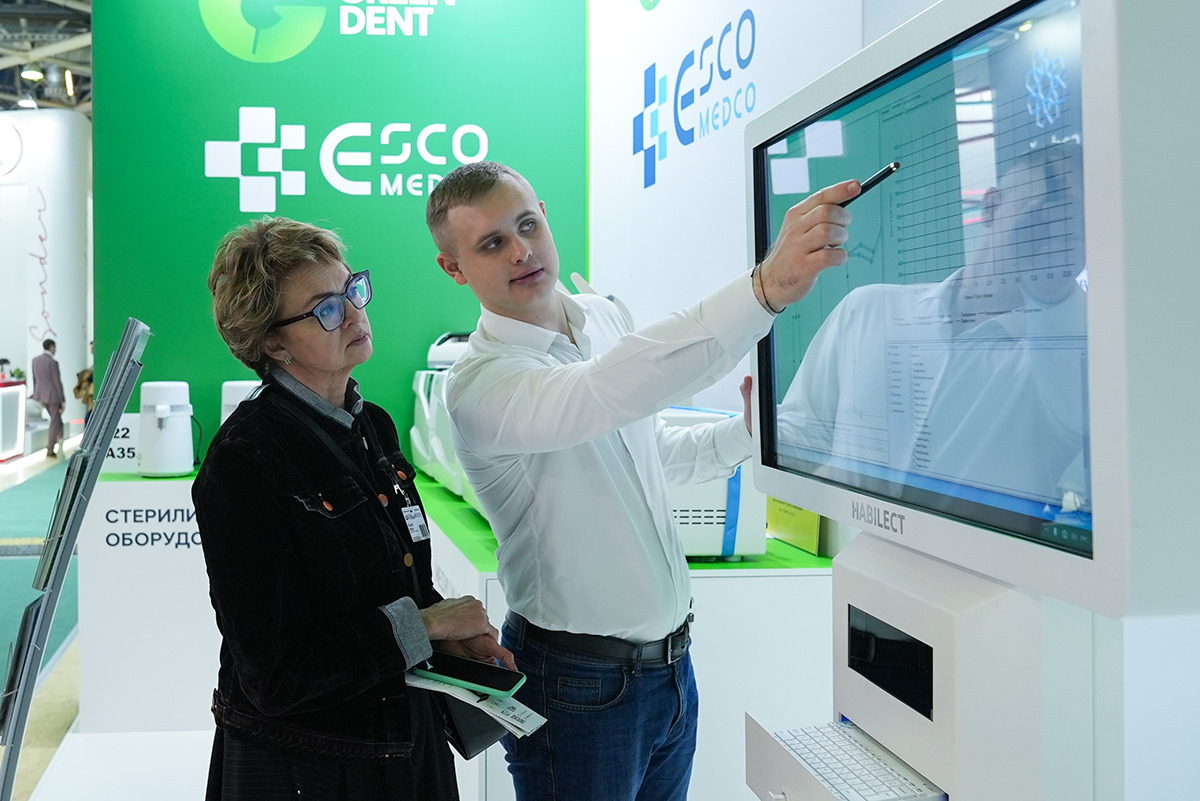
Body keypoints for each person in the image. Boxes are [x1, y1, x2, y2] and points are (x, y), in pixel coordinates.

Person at [424, 161, 859, 800]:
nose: (521, 251)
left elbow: (642, 450)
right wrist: (765, 288)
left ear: (545, 216)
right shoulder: (481, 384)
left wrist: (741, 437)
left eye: (527, 225)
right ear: (455, 268)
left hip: (671, 669)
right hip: (575, 685)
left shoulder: (600, 319)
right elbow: (606, 392)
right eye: (492, 243)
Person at [193, 216, 514, 801]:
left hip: (402, 735)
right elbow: (275, 675)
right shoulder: (246, 459)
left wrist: (448, 637)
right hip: (310, 764)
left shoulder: (373, 426)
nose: (354, 313)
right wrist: (425, 625)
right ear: (272, 343)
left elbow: (389, 582)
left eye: (352, 289)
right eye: (325, 308)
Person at [31, 338, 65, 458]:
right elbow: (57, 382)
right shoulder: (52, 362)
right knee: (55, 421)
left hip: (40, 395)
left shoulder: (35, 360)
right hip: (53, 396)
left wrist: (35, 393)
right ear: (51, 347)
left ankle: (60, 439)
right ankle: (50, 448)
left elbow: (34, 378)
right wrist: (62, 399)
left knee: (57, 420)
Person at [73, 340, 95, 425]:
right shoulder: (93, 366)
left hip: (93, 398)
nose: (92, 349)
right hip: (90, 398)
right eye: (91, 347)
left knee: (89, 419)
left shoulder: (98, 365)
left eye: (93, 347)